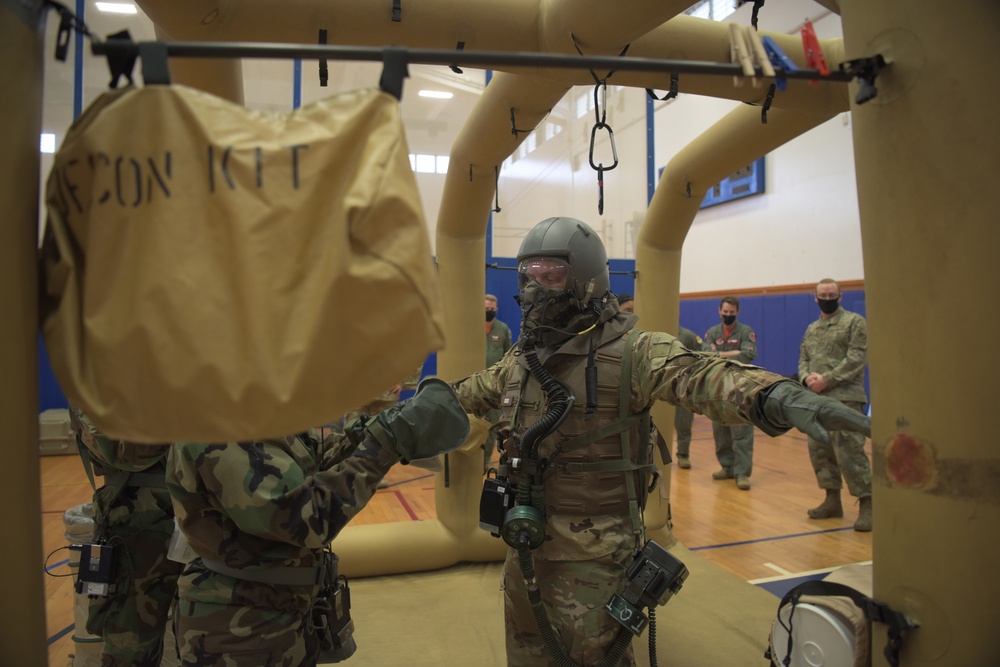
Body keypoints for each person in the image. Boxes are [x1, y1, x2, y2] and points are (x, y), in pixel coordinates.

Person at [451, 216, 870, 667]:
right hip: (526, 546)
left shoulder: (636, 350)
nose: (536, 288)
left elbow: (701, 374)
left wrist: (774, 395)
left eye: (551, 275)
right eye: (528, 276)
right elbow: (470, 392)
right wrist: (412, 417)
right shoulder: (521, 358)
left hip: (596, 558)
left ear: (586, 280)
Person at [165, 379, 470, 667]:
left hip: (277, 614)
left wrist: (367, 433)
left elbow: (312, 462)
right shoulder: (223, 419)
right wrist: (382, 445)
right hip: (242, 630)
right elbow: (304, 518)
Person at [70, 408, 181, 667]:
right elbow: (127, 452)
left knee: (200, 639)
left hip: (205, 518)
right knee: (130, 644)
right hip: (138, 528)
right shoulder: (96, 381)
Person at [798, 278, 873, 532]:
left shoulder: (854, 322)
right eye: (822, 295)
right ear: (815, 298)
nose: (826, 298)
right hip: (816, 401)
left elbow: (857, 358)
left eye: (831, 294)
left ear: (840, 297)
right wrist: (806, 377)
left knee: (850, 451)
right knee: (820, 450)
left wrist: (827, 380)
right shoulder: (812, 328)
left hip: (846, 398)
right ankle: (832, 500)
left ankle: (867, 504)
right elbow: (803, 358)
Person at [703, 296, 758, 490]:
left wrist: (719, 354)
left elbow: (748, 354)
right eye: (725, 312)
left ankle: (741, 473)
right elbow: (706, 354)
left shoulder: (746, 332)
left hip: (741, 389)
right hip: (718, 388)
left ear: (737, 312)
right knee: (721, 430)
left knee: (741, 431)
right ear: (719, 311)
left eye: (731, 312)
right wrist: (730, 354)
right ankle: (727, 467)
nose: (728, 315)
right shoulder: (712, 332)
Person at [483, 294, 515, 470]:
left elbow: (508, 356)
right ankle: (472, 461)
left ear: (496, 310)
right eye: (486, 308)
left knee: (492, 425)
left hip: (495, 385)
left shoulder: (502, 329)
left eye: (491, 309)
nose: (489, 311)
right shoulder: (470, 327)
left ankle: (486, 460)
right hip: (476, 384)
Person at [673, 325, 703, 469]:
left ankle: (683, 454)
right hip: (659, 386)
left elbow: (702, 355)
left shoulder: (688, 335)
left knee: (683, 423)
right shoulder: (656, 331)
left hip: (683, 388)